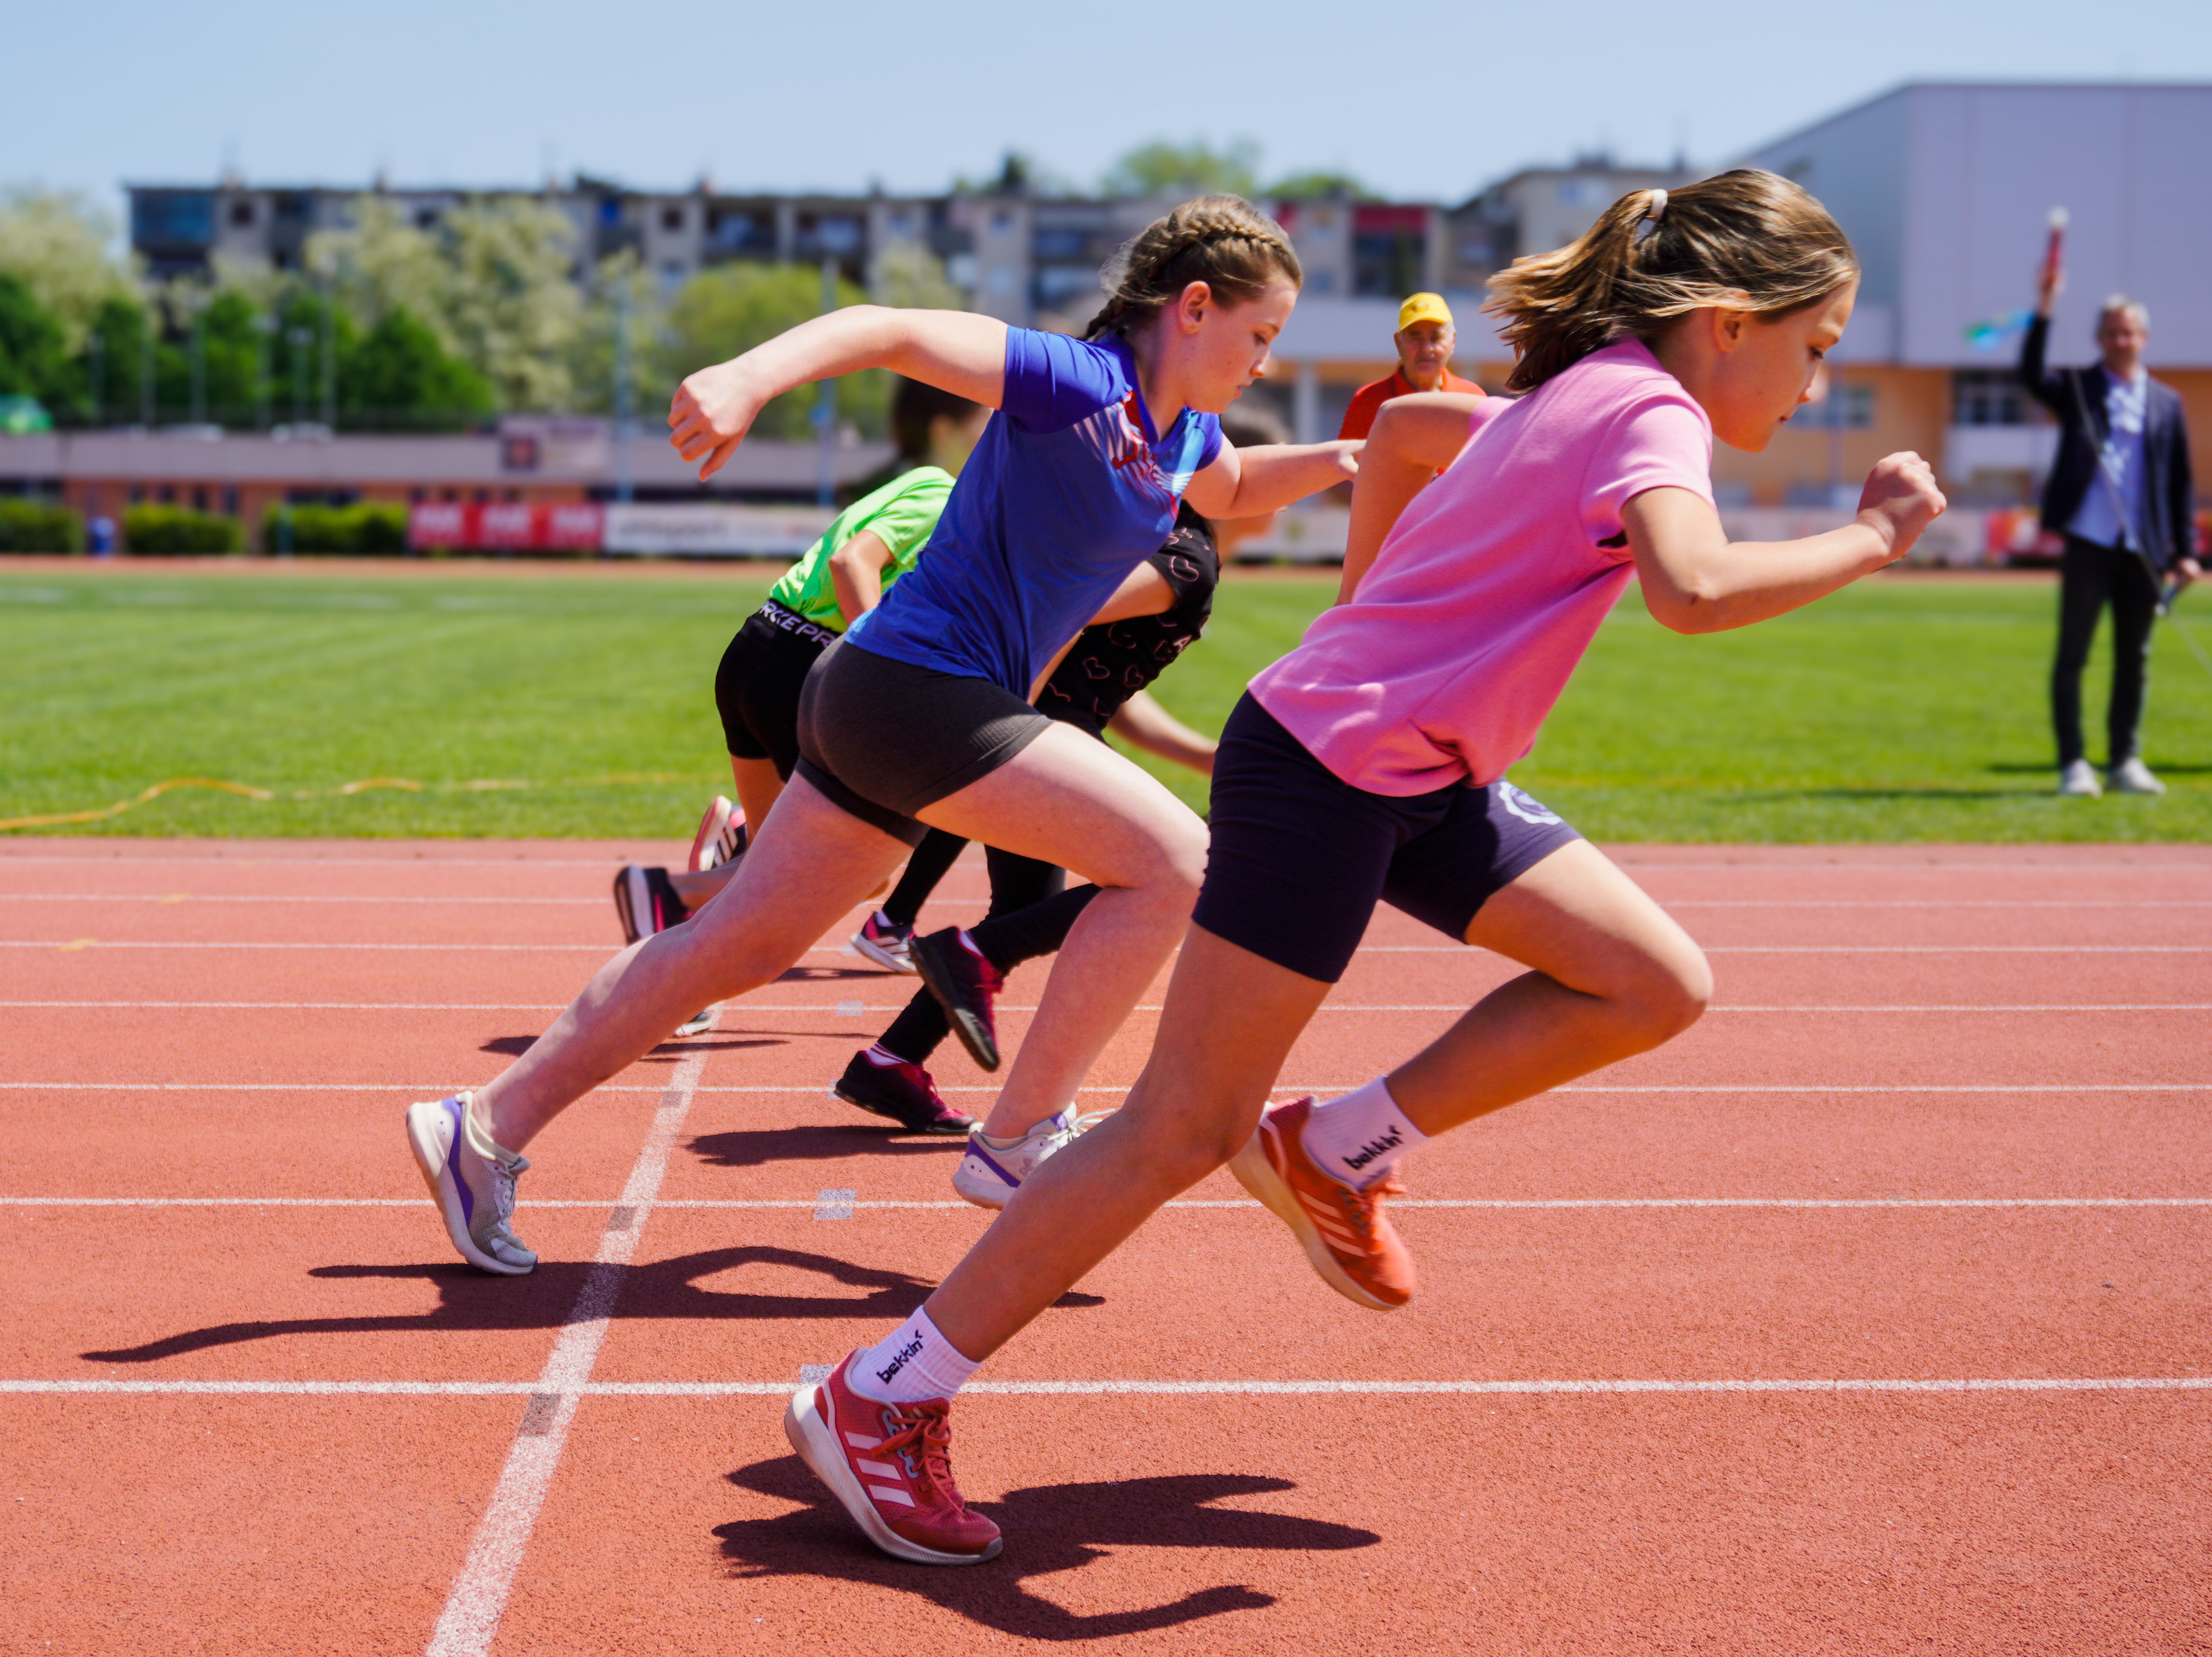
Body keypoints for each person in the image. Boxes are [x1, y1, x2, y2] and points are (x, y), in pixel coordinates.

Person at [787, 172, 1946, 1568]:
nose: (1818, 387)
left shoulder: (1594, 384)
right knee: (1176, 1125)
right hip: (1334, 767)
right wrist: (1876, 536)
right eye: (1815, 349)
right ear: (1723, 321)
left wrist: (1367, 616)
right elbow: (1689, 590)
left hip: (1418, 769)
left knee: (1648, 979)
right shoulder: (1648, 407)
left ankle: (1333, 1142)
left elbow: (1398, 435)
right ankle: (883, 1391)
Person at [406, 195, 1358, 1297]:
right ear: (1194, 309)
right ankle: (1021, 1137)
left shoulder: (1184, 436)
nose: (1264, 364)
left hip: (889, 701)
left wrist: (1350, 453)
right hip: (914, 688)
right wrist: (745, 378)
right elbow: (891, 329)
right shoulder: (1079, 382)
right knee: (1175, 862)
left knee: (732, 950)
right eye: (1261, 338)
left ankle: (481, 1129)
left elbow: (1234, 489)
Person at [837, 404, 1290, 1154]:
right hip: (1028, 732)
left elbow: (1120, 692)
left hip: (1031, 723)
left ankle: (890, 1060)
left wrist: (1207, 757)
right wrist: (1016, 711)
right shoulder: (1186, 558)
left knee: (1025, 909)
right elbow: (1067, 609)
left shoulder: (1174, 545)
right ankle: (969, 989)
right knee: (1172, 874)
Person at [612, 377, 991, 945]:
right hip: (802, 672)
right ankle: (671, 892)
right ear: (945, 430)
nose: (1001, 435)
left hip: (755, 647)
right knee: (862, 868)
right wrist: (880, 670)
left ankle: (686, 915)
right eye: (989, 421)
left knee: (771, 867)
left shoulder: (919, 482)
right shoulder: (943, 498)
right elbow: (850, 564)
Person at [2018, 272, 2199, 797]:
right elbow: (2030, 374)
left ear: (2143, 337)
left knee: (2133, 657)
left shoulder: (2168, 402)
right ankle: (2073, 763)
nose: (2121, 341)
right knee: (2072, 654)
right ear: (2099, 338)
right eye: (2112, 333)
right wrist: (2045, 308)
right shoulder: (2079, 387)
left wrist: (2185, 551)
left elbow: (2181, 482)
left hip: (2143, 548)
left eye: (2129, 333)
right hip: (2088, 540)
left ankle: (2124, 760)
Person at [1333, 291, 1485, 442]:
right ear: (1398, 343)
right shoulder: (1367, 401)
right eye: (1415, 337)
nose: (1426, 348)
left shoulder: (1473, 399)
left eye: (1436, 338)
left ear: (1452, 341)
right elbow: (1344, 462)